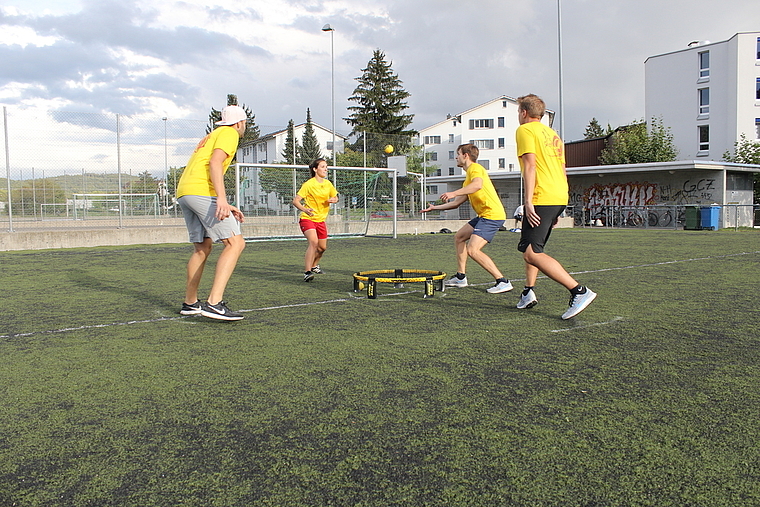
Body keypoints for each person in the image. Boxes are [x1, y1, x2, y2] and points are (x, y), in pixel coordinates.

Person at [515, 94, 596, 319]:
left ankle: (579, 291)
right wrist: (561, 203)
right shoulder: (553, 135)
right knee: (532, 248)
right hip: (558, 195)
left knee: (531, 252)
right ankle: (528, 292)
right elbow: (562, 169)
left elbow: (530, 166)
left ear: (523, 112)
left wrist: (528, 201)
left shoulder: (525, 131)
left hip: (543, 197)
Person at [176, 105, 248, 321]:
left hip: (185, 192)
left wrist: (222, 200)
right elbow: (215, 163)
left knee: (202, 248)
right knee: (235, 243)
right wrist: (222, 199)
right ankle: (214, 303)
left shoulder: (212, 134)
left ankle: (190, 303)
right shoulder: (229, 133)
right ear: (239, 123)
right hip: (201, 191)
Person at [421, 143, 512, 293]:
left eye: (458, 153)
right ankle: (460, 277)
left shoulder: (475, 169)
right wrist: (434, 208)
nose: (456, 157)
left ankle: (502, 281)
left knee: (473, 250)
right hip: (483, 215)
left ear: (466, 155)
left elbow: (477, 185)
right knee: (459, 237)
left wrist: (453, 193)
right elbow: (456, 203)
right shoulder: (468, 178)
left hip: (492, 215)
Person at [292, 158, 339, 282]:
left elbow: (335, 197)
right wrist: (305, 209)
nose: (325, 169)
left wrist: (334, 200)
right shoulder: (309, 184)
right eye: (323, 166)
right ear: (315, 169)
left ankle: (314, 265)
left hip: (321, 220)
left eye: (326, 167)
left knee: (322, 248)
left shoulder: (328, 184)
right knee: (313, 242)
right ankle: (307, 272)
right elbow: (295, 201)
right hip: (308, 218)